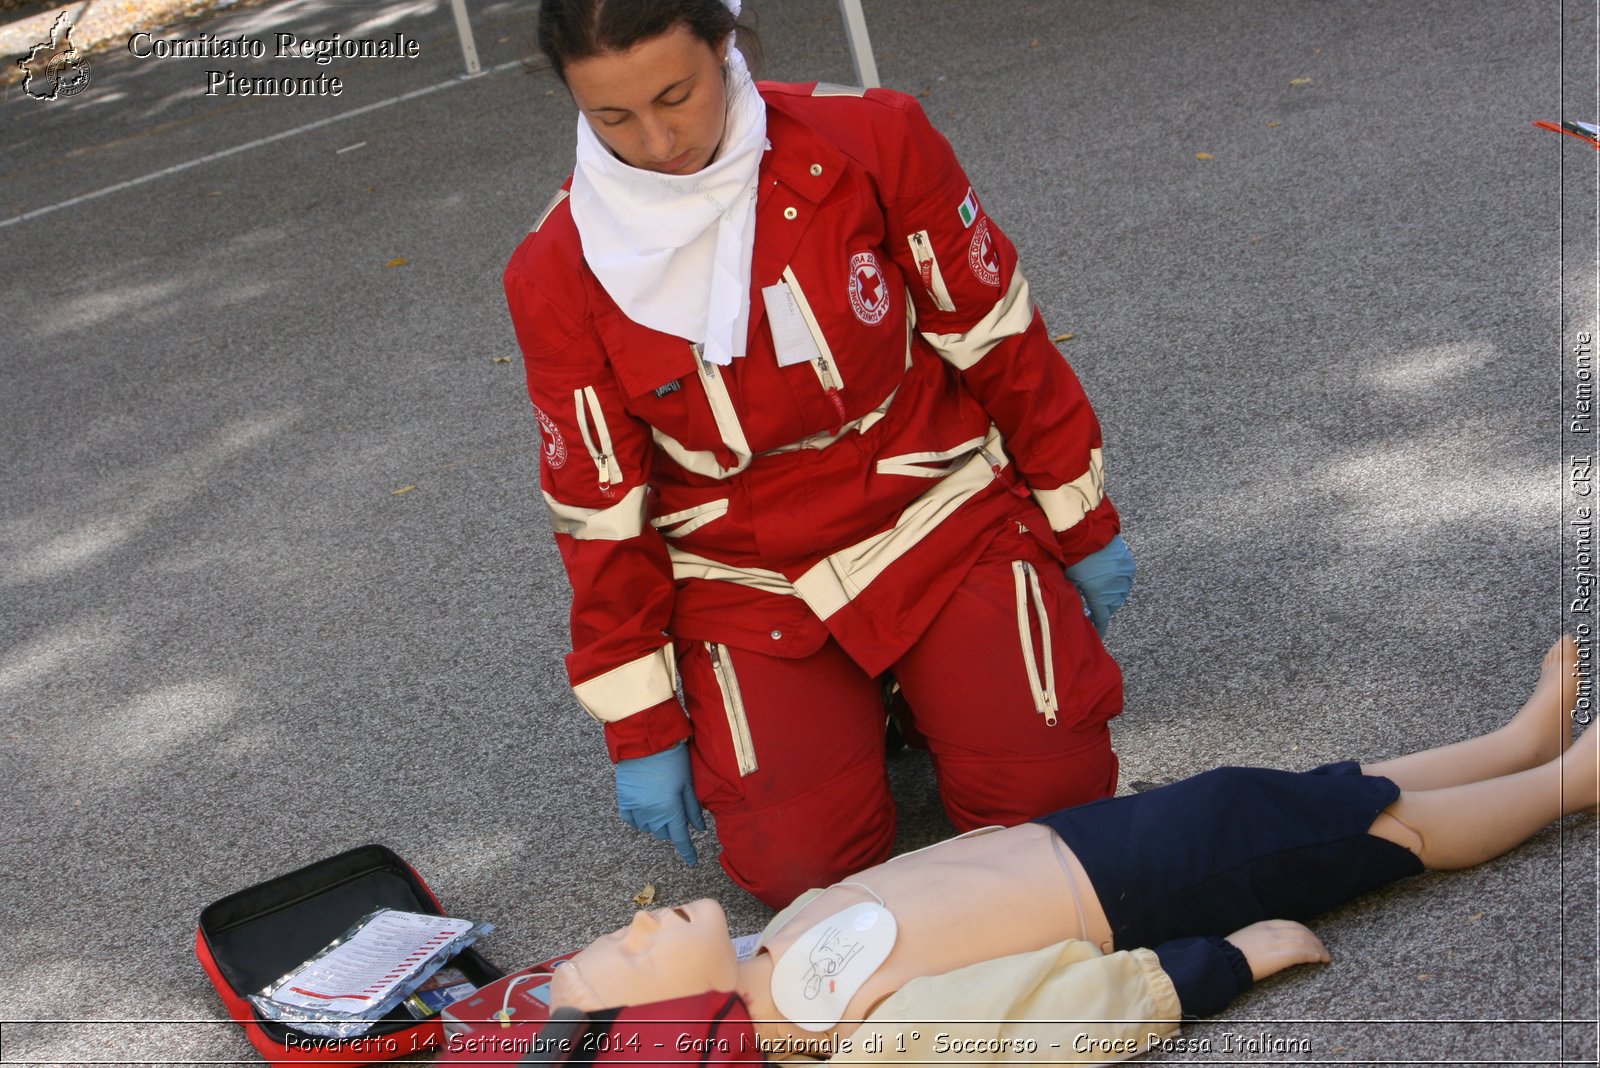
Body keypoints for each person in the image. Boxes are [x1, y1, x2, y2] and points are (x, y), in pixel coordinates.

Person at [504, 0, 1136, 908]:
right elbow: (598, 509)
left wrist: (1081, 521)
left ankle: (927, 686)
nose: (656, 138)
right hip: (744, 571)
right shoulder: (554, 268)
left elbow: (998, 338)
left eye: (676, 95)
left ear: (725, 48)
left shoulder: (874, 136)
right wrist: (641, 726)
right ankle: (877, 698)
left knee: (1052, 810)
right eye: (612, 117)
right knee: (800, 874)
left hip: (931, 508)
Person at [545, 638, 1595, 1061]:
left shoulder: (773, 948)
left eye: (617, 932)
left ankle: (1508, 747)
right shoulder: (841, 1039)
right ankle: (1565, 784)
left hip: (1083, 842)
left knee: (1285, 796)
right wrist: (1220, 965)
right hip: (1139, 890)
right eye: (632, 956)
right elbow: (1038, 1028)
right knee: (1366, 834)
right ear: (675, 1038)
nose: (637, 922)